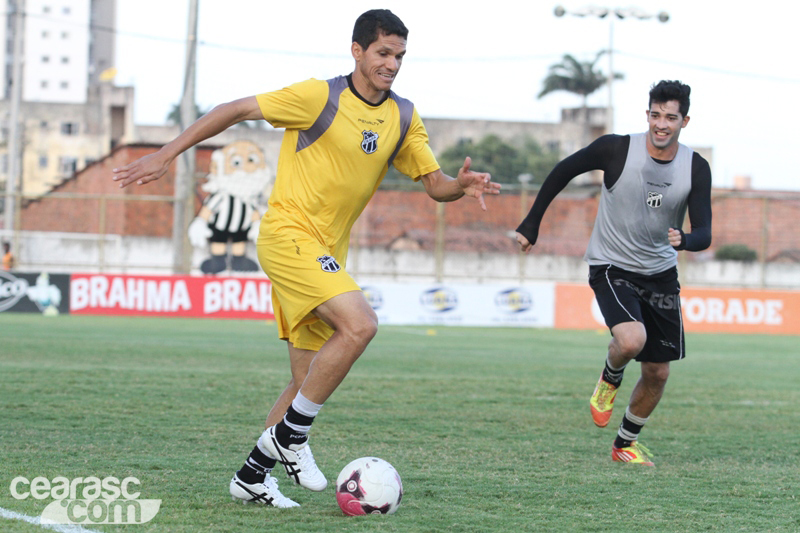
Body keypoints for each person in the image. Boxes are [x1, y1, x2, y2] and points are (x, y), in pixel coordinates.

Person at [113, 9, 500, 506]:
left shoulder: (403, 115)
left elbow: (434, 184)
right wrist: (168, 153)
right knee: (360, 325)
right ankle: (291, 438)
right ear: (357, 50)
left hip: (326, 252)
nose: (392, 64)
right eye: (383, 53)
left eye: (399, 56)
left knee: (306, 380)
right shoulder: (320, 97)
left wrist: (459, 187)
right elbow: (234, 108)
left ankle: (252, 475)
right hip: (288, 235)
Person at [515, 80, 712, 466]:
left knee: (657, 373)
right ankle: (610, 377)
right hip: (611, 265)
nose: (661, 124)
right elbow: (563, 171)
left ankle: (624, 444)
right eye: (655, 115)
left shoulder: (695, 167)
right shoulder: (617, 149)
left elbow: (705, 232)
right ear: (647, 115)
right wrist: (532, 223)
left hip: (660, 274)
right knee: (629, 340)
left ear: (684, 121)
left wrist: (685, 240)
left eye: (670, 117)